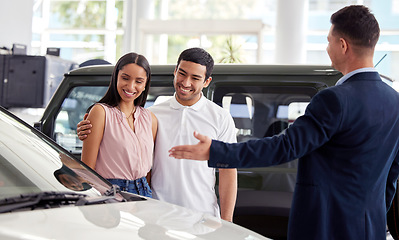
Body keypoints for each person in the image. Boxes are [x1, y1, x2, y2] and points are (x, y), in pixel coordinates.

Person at [169, 5, 399, 240]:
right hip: (371, 228)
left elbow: (285, 146)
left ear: (343, 45)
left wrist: (215, 150)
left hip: (326, 228)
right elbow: (392, 174)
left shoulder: (335, 100)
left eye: (328, 41)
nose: (327, 48)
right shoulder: (395, 101)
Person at [77, 48, 237, 221]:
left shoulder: (221, 118)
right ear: (175, 72)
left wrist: (227, 221)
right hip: (158, 213)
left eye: (195, 78)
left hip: (202, 216)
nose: (186, 82)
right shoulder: (152, 115)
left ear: (207, 82)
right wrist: (88, 130)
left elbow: (228, 171)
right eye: (182, 73)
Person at [81, 52, 157, 198]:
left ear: (145, 84)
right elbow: (87, 171)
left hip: (144, 191)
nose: (131, 86)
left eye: (139, 81)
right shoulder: (101, 112)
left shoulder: (150, 119)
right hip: (111, 191)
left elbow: (148, 170)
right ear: (116, 76)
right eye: (125, 78)